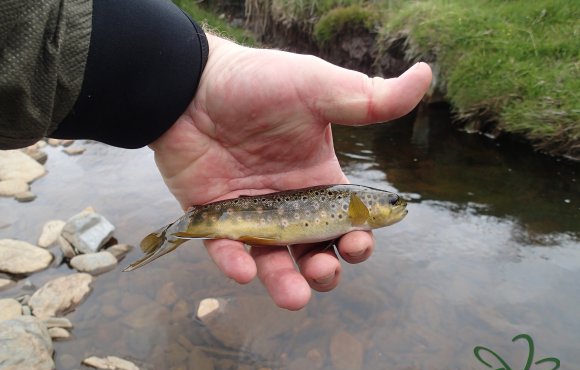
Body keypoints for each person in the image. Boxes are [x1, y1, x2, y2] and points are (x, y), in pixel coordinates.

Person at [0, 0, 431, 310]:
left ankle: (173, 235)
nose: (397, 205)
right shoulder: (355, 205)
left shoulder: (355, 208)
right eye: (392, 202)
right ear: (368, 206)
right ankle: (172, 236)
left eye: (394, 202)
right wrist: (193, 76)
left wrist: (189, 75)